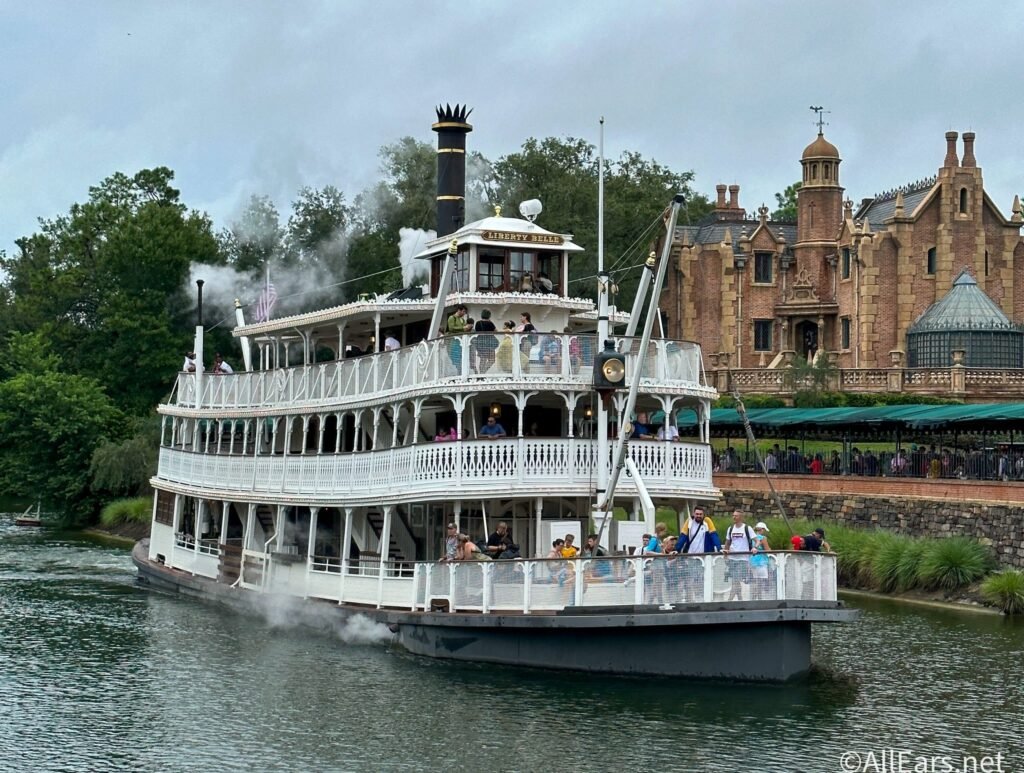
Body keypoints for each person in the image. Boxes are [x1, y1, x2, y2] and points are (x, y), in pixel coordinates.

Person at [723, 510, 756, 601]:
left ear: (741, 517)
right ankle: (740, 599)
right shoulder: (730, 528)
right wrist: (725, 554)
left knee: (736, 579)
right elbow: (728, 542)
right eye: (733, 516)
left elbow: (757, 540)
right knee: (735, 580)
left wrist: (754, 548)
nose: (734, 517)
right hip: (732, 558)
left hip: (743, 559)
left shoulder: (747, 528)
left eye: (736, 516)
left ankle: (729, 601)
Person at [749, 522, 772, 599]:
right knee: (761, 582)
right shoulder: (762, 538)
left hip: (752, 561)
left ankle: (754, 598)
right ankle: (759, 598)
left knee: (756, 581)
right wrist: (770, 550)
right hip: (761, 562)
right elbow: (767, 549)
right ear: (762, 529)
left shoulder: (752, 538)